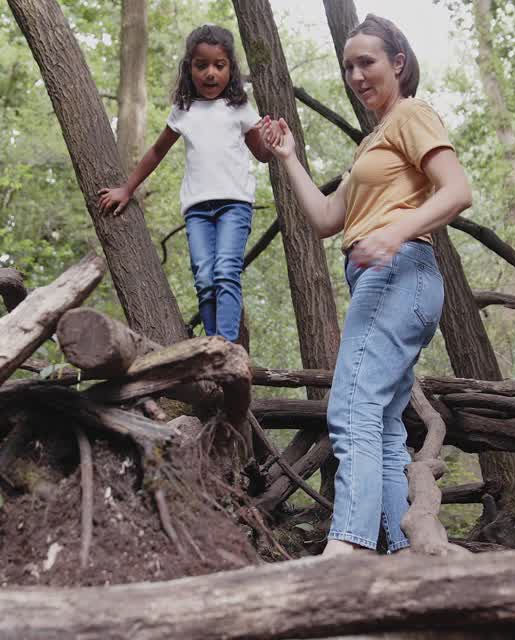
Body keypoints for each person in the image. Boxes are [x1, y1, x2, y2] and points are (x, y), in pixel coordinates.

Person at [260, 14, 472, 557]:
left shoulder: (411, 114)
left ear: (397, 63)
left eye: (367, 62)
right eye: (348, 65)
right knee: (382, 424)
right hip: (391, 282)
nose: (356, 75)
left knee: (352, 407)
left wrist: (394, 233)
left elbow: (456, 191)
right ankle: (408, 552)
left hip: (399, 274)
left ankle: (348, 549)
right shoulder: (373, 142)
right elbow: (329, 219)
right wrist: (288, 159)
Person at [98, 24, 271, 343]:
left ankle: (225, 347)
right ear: (189, 67)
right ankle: (211, 345)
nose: (210, 73)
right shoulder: (184, 110)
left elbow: (261, 154)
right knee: (205, 279)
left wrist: (272, 142)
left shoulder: (240, 108)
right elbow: (156, 151)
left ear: (230, 69)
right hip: (197, 210)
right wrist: (127, 188)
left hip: (235, 205)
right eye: (201, 65)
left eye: (219, 66)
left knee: (225, 273)